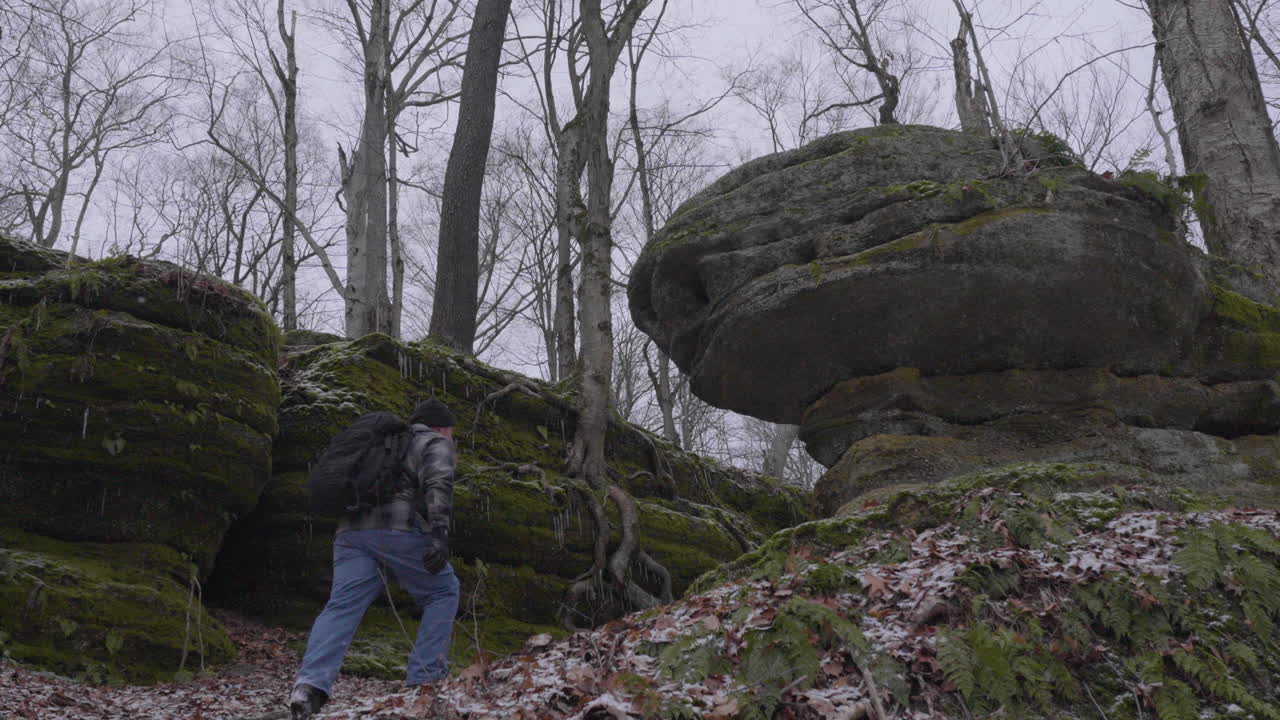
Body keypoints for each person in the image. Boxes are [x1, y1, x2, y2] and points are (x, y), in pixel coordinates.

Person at [288, 399, 461, 720]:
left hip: (350, 534)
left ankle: (309, 686)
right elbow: (439, 482)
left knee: (341, 607)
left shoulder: (383, 444)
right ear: (441, 427)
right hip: (397, 529)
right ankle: (425, 680)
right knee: (443, 591)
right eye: (451, 432)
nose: (452, 438)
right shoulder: (433, 442)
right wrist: (439, 533)